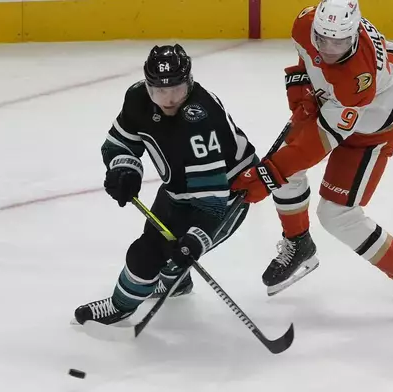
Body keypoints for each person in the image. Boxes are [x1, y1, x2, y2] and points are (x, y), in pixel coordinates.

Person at [231, 0, 393, 322]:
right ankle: (299, 243)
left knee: (336, 213)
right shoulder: (305, 25)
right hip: (340, 106)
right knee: (285, 165)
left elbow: (321, 141)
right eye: (324, 40)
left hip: (378, 123)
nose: (330, 49)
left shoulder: (357, 80)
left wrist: (268, 176)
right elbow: (308, 59)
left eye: (340, 43)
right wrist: (303, 91)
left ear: (354, 35)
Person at [74, 44, 257, 325]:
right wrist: (125, 170)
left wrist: (195, 239)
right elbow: (119, 144)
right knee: (149, 252)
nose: (169, 99)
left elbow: (211, 202)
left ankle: (148, 291)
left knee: (163, 254)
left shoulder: (200, 115)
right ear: (147, 86)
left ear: (190, 82)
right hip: (177, 189)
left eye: (177, 89)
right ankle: (154, 291)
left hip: (229, 195)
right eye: (160, 90)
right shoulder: (137, 99)